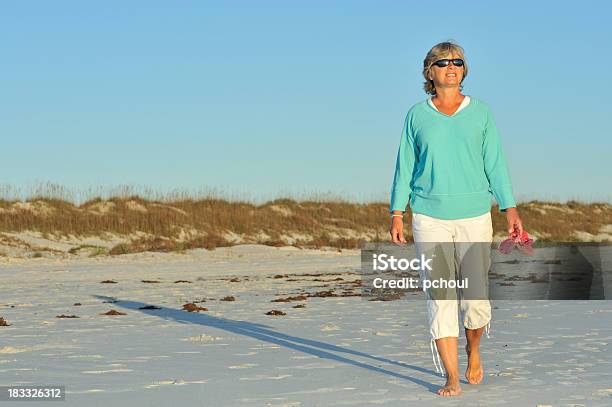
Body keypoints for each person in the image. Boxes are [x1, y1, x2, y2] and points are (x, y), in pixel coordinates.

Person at [388, 41, 524, 397]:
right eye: (443, 62)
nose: (452, 66)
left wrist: (509, 208)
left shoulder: (481, 113)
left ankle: (473, 348)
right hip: (429, 216)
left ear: (464, 70)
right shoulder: (416, 116)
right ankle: (450, 376)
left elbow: (495, 163)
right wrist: (397, 212)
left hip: (475, 214)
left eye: (458, 62)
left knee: (476, 297)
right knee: (441, 297)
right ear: (429, 72)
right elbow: (404, 167)